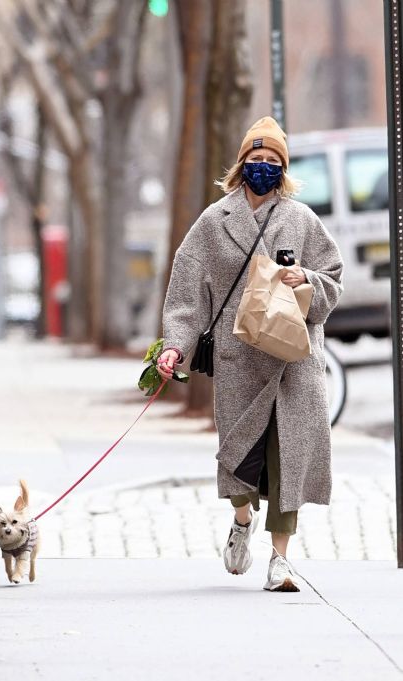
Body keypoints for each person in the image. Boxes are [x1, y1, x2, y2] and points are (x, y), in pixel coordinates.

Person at [157, 116, 344, 592]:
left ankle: (280, 561)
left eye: (273, 162)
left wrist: (309, 280)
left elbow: (333, 277)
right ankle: (242, 521)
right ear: (242, 165)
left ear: (284, 170)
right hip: (239, 359)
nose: (264, 168)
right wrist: (176, 345)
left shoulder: (302, 220)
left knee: (289, 458)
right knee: (238, 459)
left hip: (293, 360)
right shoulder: (213, 222)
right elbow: (186, 290)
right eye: (256, 160)